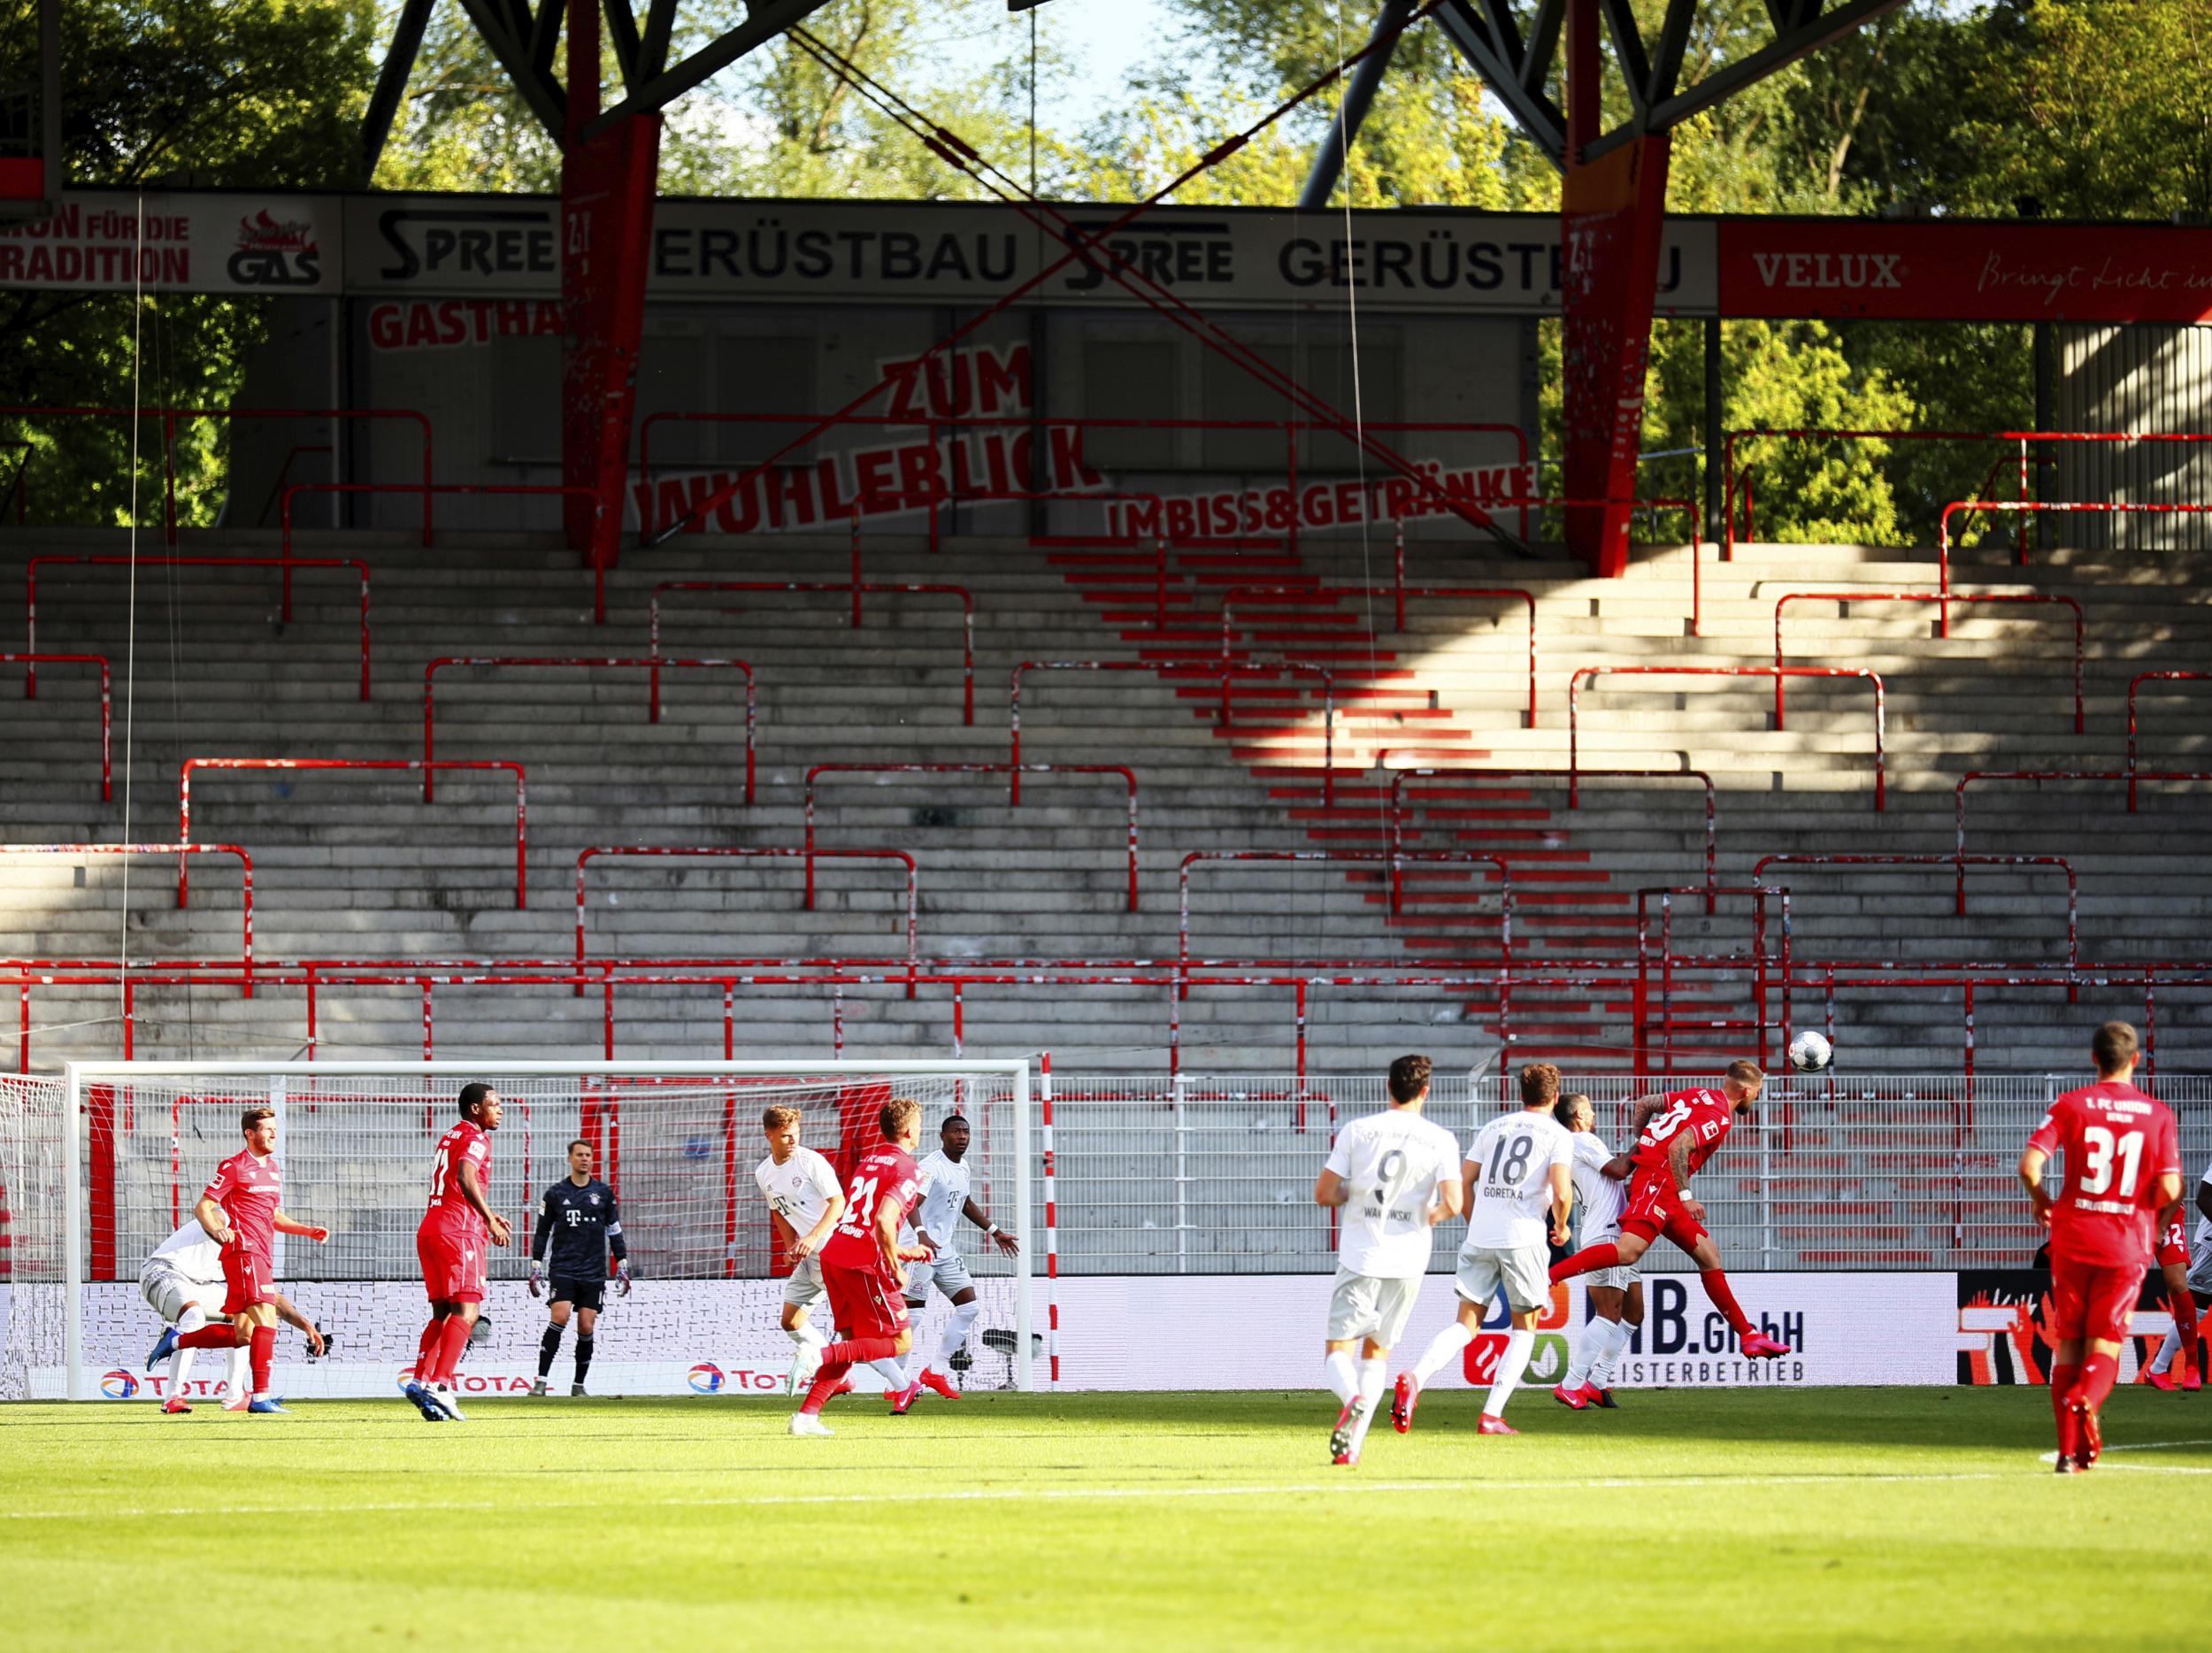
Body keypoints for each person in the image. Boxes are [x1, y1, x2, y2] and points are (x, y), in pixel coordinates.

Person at [1547, 1059, 1792, 1361]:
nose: (1757, 1096)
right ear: (1745, 1090)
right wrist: (1686, 1194)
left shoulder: (1698, 1094)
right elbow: (1679, 1147)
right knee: (1627, 1252)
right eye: (1757, 1091)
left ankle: (1749, 1335)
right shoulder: (1720, 1116)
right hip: (1660, 1183)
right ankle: (1550, 1276)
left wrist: (1645, 1144)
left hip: (1662, 1182)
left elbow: (1645, 1103)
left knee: (1709, 1256)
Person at [2019, 1021, 2183, 1471]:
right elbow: (2171, 1187)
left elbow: (2030, 1166)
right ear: (2135, 1060)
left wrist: (2044, 1202)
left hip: (2071, 1238)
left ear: (2094, 1059)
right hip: (2125, 1243)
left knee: (2068, 1345)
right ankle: (2084, 1399)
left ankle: (2069, 1455)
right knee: (2105, 1347)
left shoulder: (2070, 1105)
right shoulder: (2158, 1114)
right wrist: (2142, 1209)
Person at [1394, 1062, 1571, 1439]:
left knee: (1465, 1325)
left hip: (1481, 1237)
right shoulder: (1558, 1135)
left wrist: (1475, 1222)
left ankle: (1416, 1376)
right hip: (1523, 1238)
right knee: (1525, 1329)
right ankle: (1491, 1414)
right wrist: (1561, 1224)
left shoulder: (1493, 1128)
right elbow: (1561, 1192)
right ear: (1555, 1098)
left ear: (1520, 1095)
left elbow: (1465, 1180)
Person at [1313, 1052, 1463, 1467]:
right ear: (1425, 1091)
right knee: (1377, 1354)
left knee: (1338, 1352)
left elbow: (1324, 1192)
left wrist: (1355, 1196)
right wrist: (1424, 1217)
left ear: (1388, 1087)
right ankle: (1352, 1449)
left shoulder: (1358, 1131)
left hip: (1362, 1255)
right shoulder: (1440, 1139)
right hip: (1409, 1259)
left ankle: (1352, 1399)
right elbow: (1454, 1202)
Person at [787, 1096, 935, 1435]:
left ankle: (807, 1416)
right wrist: (896, 1266)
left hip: (835, 1254)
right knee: (900, 1342)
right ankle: (816, 1357)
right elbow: (883, 1219)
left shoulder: (869, 1160)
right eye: (921, 1127)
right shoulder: (908, 1168)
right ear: (911, 1131)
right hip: (864, 1265)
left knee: (851, 1343)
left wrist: (904, 1252)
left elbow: (864, 1219)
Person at [189, 1106, 329, 1415]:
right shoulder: (233, 1166)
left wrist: (307, 1230)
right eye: (267, 1129)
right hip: (244, 1253)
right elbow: (203, 1207)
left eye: (274, 1128)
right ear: (249, 1134)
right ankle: (261, 1396)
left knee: (244, 1334)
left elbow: (274, 1216)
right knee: (267, 1321)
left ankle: (177, 1341)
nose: (273, 1133)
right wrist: (217, 1229)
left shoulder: (274, 1170)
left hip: (261, 1256)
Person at [142, 1218, 326, 1414]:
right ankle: (173, 1397)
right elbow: (207, 1210)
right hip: (162, 1271)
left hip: (199, 1284)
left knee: (249, 1322)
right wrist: (217, 1228)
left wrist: (306, 1326)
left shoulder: (253, 1249)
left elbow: (270, 1298)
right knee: (194, 1316)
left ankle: (235, 1395)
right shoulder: (229, 1215)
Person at [407, 1082, 512, 1423]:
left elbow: (455, 1183)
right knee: (467, 1312)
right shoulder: (477, 1138)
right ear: (475, 1109)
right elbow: (467, 1176)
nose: (500, 1110)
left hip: (432, 1228)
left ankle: (420, 1380)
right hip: (459, 1232)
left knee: (442, 1313)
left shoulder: (450, 1135)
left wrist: (490, 1214)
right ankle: (441, 1384)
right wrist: (488, 1221)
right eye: (494, 1105)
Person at [897, 1112, 1021, 1402]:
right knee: (913, 1316)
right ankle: (899, 1382)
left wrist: (994, 1230)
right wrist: (921, 1233)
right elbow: (911, 1203)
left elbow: (963, 1201)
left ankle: (935, 1371)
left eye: (965, 1132)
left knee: (969, 1308)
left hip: (944, 1249)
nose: (962, 1136)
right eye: (955, 1131)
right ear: (943, 1136)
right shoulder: (930, 1167)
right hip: (920, 1249)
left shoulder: (963, 1167)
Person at [1548, 1092, 1642, 1411]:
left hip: (1617, 1233)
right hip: (1607, 1235)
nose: (1594, 1113)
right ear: (1577, 1115)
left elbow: (1613, 1183)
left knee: (1633, 1312)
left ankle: (1597, 1382)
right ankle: (1571, 1383)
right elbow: (1618, 1170)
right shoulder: (1581, 1141)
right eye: (1589, 1109)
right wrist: (1644, 1141)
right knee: (1609, 1313)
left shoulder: (1581, 1145)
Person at [754, 1103, 848, 1394]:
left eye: (796, 1133)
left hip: (832, 1251)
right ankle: (838, 1374)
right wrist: (791, 1244)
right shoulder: (764, 1172)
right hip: (808, 1255)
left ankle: (900, 1383)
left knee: (851, 1331)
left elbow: (838, 1202)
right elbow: (778, 1211)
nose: (793, 1140)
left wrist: (812, 1237)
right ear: (769, 1136)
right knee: (791, 1321)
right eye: (785, 1136)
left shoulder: (811, 1162)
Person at [528, 1138, 632, 1396]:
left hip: (593, 1271)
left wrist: (622, 1264)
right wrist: (536, 1265)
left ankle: (578, 1385)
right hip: (563, 1268)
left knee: (586, 1325)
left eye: (588, 1155)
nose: (585, 1159)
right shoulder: (555, 1194)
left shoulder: (604, 1194)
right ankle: (541, 1381)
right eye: (580, 1155)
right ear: (570, 1159)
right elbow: (542, 1232)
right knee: (560, 1316)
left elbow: (614, 1230)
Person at [2141, 1158, 2212, 1391]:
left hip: (2166, 1217)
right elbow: (2204, 1197)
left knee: (2180, 1287)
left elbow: (2178, 1186)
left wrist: (2161, 1227)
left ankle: (2189, 1367)